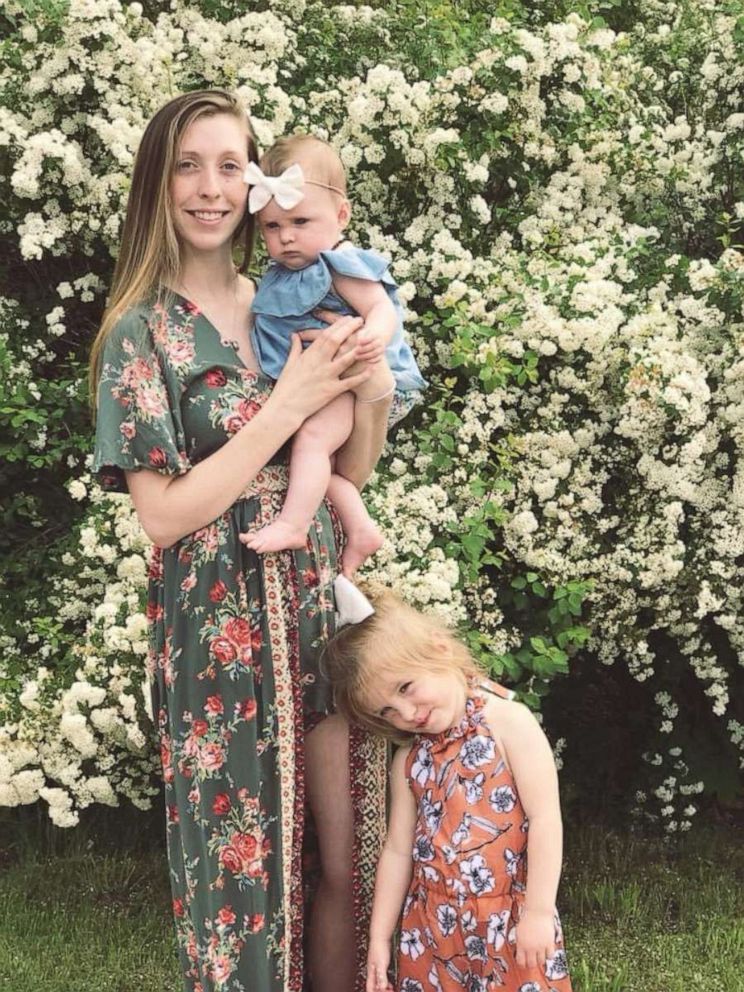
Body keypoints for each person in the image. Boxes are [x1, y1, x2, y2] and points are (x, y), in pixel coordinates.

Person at [90, 90, 388, 992]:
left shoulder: (288, 297)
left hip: (314, 608)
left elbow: (356, 469)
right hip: (214, 629)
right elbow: (165, 514)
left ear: (258, 182)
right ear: (158, 183)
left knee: (346, 860)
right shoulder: (137, 333)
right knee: (241, 882)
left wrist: (367, 387)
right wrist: (287, 407)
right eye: (188, 165)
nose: (211, 188)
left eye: (230, 165)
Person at [324, 583, 573, 992]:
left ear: (438, 649)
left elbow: (545, 819)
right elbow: (398, 848)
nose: (406, 713)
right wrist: (379, 938)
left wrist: (539, 913)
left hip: (509, 922)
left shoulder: (509, 723)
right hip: (433, 927)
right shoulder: (409, 760)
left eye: (405, 688)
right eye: (386, 710)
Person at [240, 135, 426, 575]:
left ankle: (292, 523)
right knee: (318, 463)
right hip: (328, 383)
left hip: (356, 376)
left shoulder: (337, 264)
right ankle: (361, 529)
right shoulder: (279, 274)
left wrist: (373, 340)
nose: (286, 237)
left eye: (301, 221)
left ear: (341, 215)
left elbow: (380, 308)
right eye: (271, 227)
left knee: (311, 443)